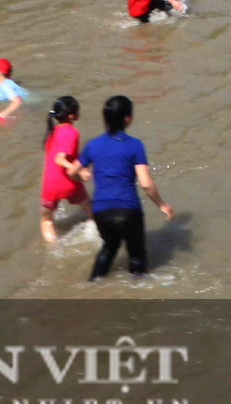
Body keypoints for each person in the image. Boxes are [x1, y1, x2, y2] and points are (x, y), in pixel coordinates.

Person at [75, 95, 172, 279]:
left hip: (100, 211)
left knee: (110, 247)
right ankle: (137, 294)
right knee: (136, 254)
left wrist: (82, 174)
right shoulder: (134, 145)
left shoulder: (92, 145)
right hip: (128, 210)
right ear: (127, 119)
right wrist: (161, 205)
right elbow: (145, 183)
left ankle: (92, 284)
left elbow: (72, 171)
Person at [38, 95, 87, 243]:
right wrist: (80, 170)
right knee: (91, 213)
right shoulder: (71, 132)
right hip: (68, 181)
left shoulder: (51, 132)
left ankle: (54, 249)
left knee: (46, 221)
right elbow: (59, 158)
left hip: (49, 184)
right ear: (72, 116)